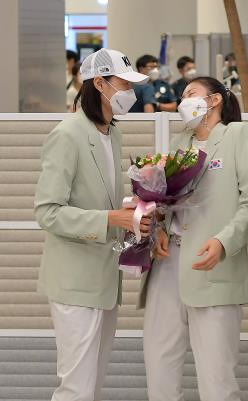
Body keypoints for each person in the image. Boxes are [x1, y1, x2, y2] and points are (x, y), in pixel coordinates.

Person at [34, 48, 150, 401]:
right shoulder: (68, 134)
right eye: (123, 83)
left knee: (93, 383)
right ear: (98, 83)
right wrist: (110, 219)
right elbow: (47, 210)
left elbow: (101, 200)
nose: (130, 92)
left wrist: (131, 210)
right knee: (76, 387)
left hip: (103, 279)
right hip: (75, 281)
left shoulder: (111, 134)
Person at [139, 76, 248, 401]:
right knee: (159, 364)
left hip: (213, 264)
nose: (183, 101)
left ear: (214, 100)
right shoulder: (180, 142)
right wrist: (160, 229)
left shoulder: (238, 135)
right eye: (181, 96)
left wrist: (224, 242)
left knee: (216, 377)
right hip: (167, 265)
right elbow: (167, 201)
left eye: (191, 94)